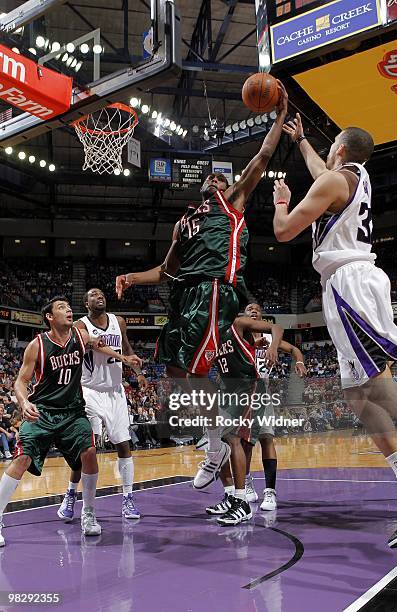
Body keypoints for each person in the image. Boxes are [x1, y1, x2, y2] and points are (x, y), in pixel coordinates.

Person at [115, 84, 289, 490]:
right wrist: (130, 278)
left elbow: (262, 157)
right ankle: (215, 444)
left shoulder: (233, 202)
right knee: (173, 367)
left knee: (197, 369)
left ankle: (217, 447)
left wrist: (278, 119)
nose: (214, 177)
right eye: (209, 176)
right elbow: (166, 270)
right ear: (200, 189)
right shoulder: (185, 222)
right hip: (185, 294)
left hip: (214, 291)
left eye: (219, 175)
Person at [273, 116, 397, 548]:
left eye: (332, 146)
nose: (327, 152)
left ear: (342, 151)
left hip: (351, 284)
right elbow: (322, 171)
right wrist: (303, 143)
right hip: (347, 284)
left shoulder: (336, 182)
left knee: (381, 390)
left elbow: (284, 231)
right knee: (356, 396)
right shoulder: (354, 177)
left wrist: (281, 201)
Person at [0, 296, 141, 547]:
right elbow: (20, 382)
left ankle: (88, 514)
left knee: (89, 451)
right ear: (50, 317)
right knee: (22, 458)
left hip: (72, 412)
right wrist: (23, 403)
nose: (68, 310)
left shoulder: (80, 336)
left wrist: (124, 359)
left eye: (68, 307)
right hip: (43, 411)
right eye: (61, 308)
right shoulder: (37, 345)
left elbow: (99, 346)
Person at [58, 288, 147, 522]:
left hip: (115, 392)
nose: (100, 296)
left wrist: (138, 372)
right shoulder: (80, 325)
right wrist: (124, 359)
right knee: (87, 449)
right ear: (86, 303)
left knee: (124, 445)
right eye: (93, 295)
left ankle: (128, 498)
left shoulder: (119, 322)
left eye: (101, 294)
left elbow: (127, 349)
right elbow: (95, 345)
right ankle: (70, 494)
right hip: (90, 391)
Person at [208, 315, 283, 525]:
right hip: (227, 391)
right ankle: (232, 496)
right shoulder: (211, 336)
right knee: (220, 442)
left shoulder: (238, 324)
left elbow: (276, 327)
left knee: (237, 440)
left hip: (249, 389)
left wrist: (273, 347)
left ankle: (242, 502)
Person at [242, 303, 307, 509]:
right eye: (249, 309)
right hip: (241, 395)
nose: (254, 310)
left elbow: (295, 349)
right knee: (245, 444)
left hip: (262, 394)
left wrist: (299, 362)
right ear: (243, 315)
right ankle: (245, 484)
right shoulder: (236, 336)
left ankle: (270, 492)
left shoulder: (271, 339)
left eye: (257, 309)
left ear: (261, 316)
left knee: (266, 439)